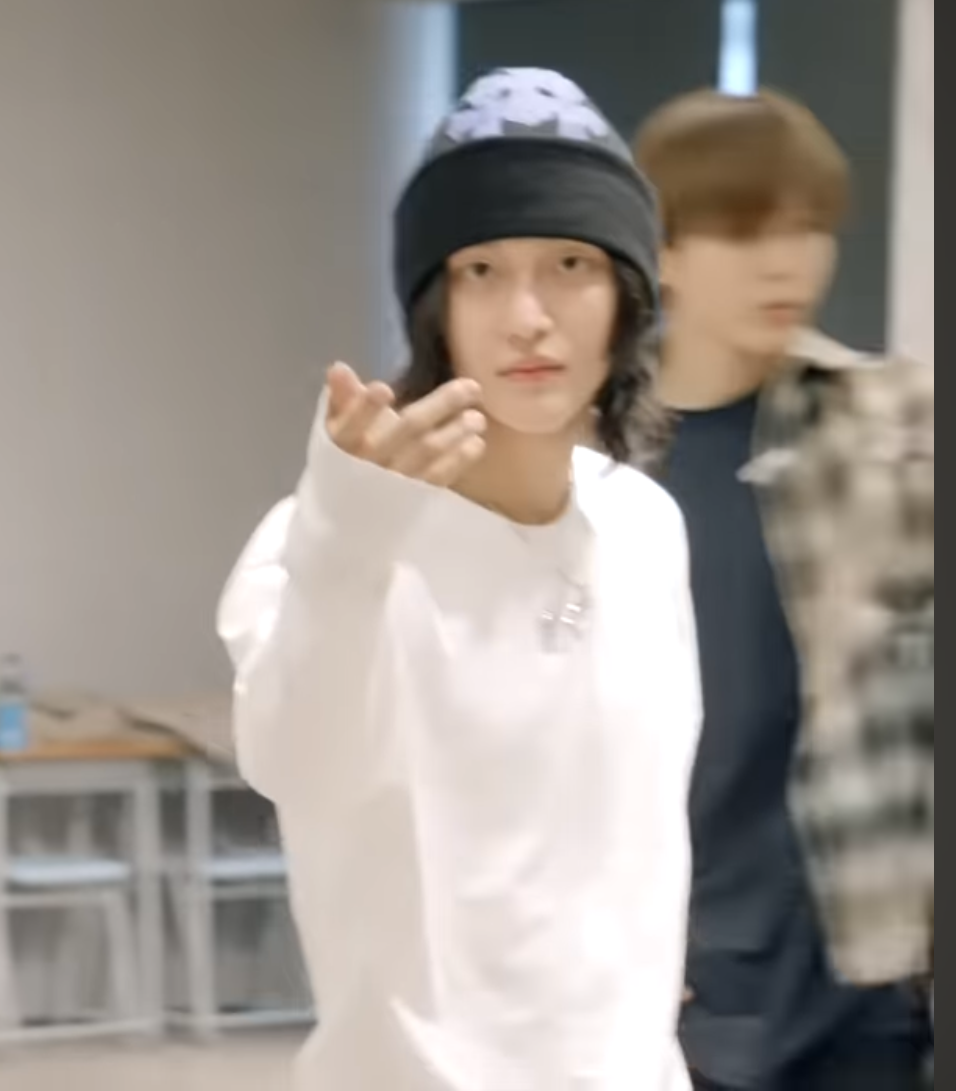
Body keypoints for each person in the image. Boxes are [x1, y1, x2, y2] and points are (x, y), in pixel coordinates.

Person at [218, 68, 700, 1090]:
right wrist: (344, 553)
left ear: (626, 294)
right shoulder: (328, 542)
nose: (528, 315)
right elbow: (293, 759)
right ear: (437, 307)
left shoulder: (645, 527)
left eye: (570, 263)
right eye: (482, 269)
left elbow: (641, 843)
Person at [635, 88, 935, 1091]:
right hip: (668, 980)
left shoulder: (894, 426)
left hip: (862, 974)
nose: (786, 263)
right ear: (664, 251)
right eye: (744, 232)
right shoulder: (587, 462)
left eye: (808, 229)